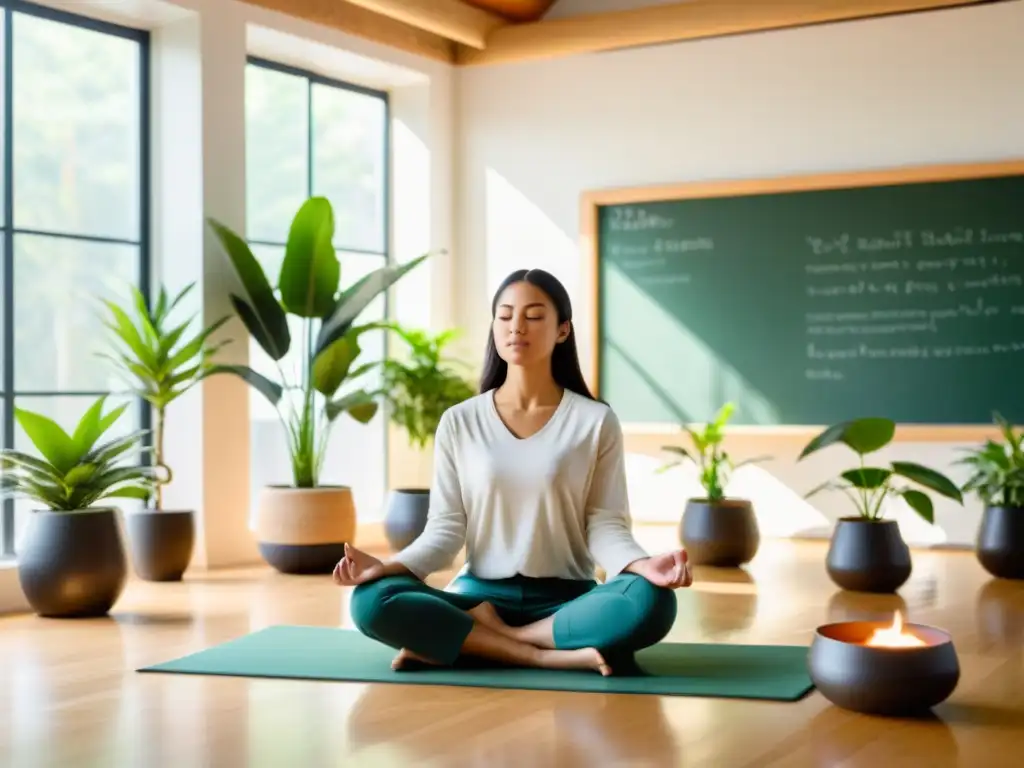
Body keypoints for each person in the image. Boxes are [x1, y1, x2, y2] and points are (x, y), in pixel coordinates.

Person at [333, 268, 693, 676]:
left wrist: (642, 565)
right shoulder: (459, 421)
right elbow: (445, 531)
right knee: (370, 601)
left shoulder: (595, 421)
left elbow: (604, 524)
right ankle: (538, 654)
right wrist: (388, 568)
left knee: (653, 602)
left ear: (562, 330)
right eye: (504, 316)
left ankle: (477, 642)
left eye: (534, 316)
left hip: (568, 601)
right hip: (478, 598)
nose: (516, 327)